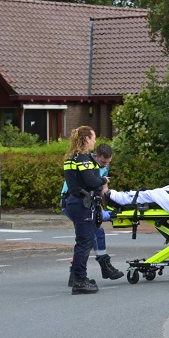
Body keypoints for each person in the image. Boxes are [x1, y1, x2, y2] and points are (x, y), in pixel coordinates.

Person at [63, 143, 124, 285]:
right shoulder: (86, 164)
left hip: (86, 203)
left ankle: (78, 274)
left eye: (108, 163)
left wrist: (108, 206)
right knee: (88, 237)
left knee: (90, 236)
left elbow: (102, 189)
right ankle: (89, 271)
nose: (105, 165)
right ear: (96, 156)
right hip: (76, 202)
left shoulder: (100, 166)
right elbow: (89, 185)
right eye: (103, 162)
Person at [62, 126, 108, 295]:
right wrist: (102, 179)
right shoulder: (83, 159)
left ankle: (76, 277)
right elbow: (90, 181)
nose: (95, 141)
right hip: (83, 203)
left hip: (73, 201)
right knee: (85, 242)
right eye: (93, 138)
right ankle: (80, 280)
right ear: (87, 139)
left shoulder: (71, 158)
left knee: (81, 241)